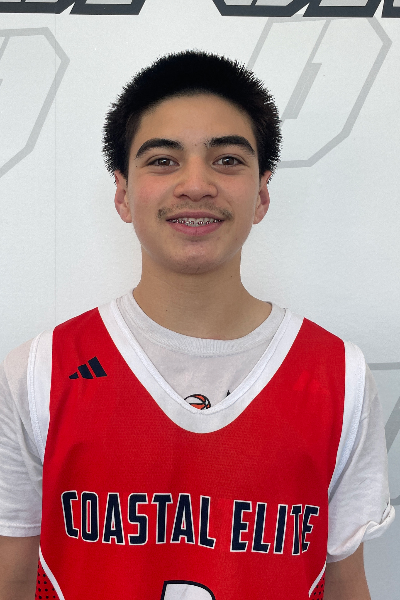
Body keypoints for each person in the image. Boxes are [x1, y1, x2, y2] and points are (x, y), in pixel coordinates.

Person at [0, 51, 394, 600]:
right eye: (163, 160)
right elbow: (13, 578)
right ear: (122, 193)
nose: (196, 183)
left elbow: (347, 584)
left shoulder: (339, 378)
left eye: (227, 160)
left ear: (261, 193)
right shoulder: (38, 373)